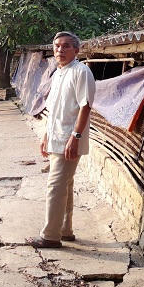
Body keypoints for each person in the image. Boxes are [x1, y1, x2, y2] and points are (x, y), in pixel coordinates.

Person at [26, 31, 96, 248]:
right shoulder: (58, 73)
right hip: (55, 137)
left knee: (55, 186)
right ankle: (65, 230)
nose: (60, 50)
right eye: (57, 46)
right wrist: (45, 136)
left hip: (69, 139)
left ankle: (50, 236)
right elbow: (55, 109)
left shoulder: (81, 72)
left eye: (66, 46)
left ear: (76, 50)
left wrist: (75, 137)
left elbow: (85, 106)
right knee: (65, 185)